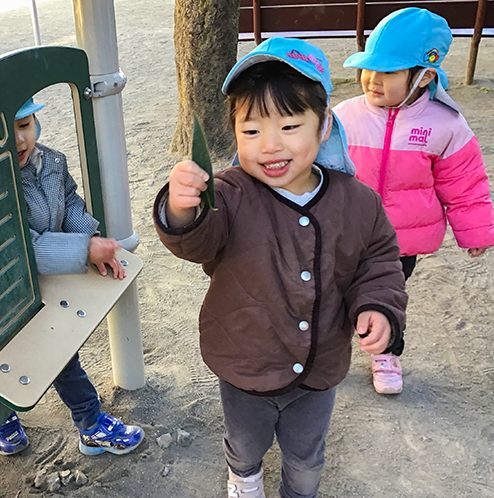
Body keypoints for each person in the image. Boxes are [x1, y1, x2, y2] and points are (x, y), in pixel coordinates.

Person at [153, 38, 407, 498]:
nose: (270, 146)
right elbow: (198, 242)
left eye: (289, 126)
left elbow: (379, 261)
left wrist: (378, 307)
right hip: (245, 359)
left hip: (319, 365)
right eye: (251, 130)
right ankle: (244, 479)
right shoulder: (229, 193)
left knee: (306, 452)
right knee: (245, 443)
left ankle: (299, 490)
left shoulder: (357, 202)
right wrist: (182, 208)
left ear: (324, 125)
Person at [0, 60, 144, 457]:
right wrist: (82, 250)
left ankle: (90, 422)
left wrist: (88, 235)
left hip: (48, 284)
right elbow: (17, 245)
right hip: (0, 295)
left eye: (24, 125)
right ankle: (5, 418)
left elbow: (68, 200)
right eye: (3, 132)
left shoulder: (50, 161)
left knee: (60, 354)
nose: (18, 139)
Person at [334, 8, 494, 394]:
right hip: (345, 231)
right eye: (369, 67)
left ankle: (386, 352)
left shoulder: (445, 124)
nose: (372, 79)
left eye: (388, 71)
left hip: (399, 241)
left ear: (425, 76)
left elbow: (464, 182)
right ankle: (325, 351)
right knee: (332, 293)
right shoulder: (344, 116)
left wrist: (475, 231)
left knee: (386, 296)